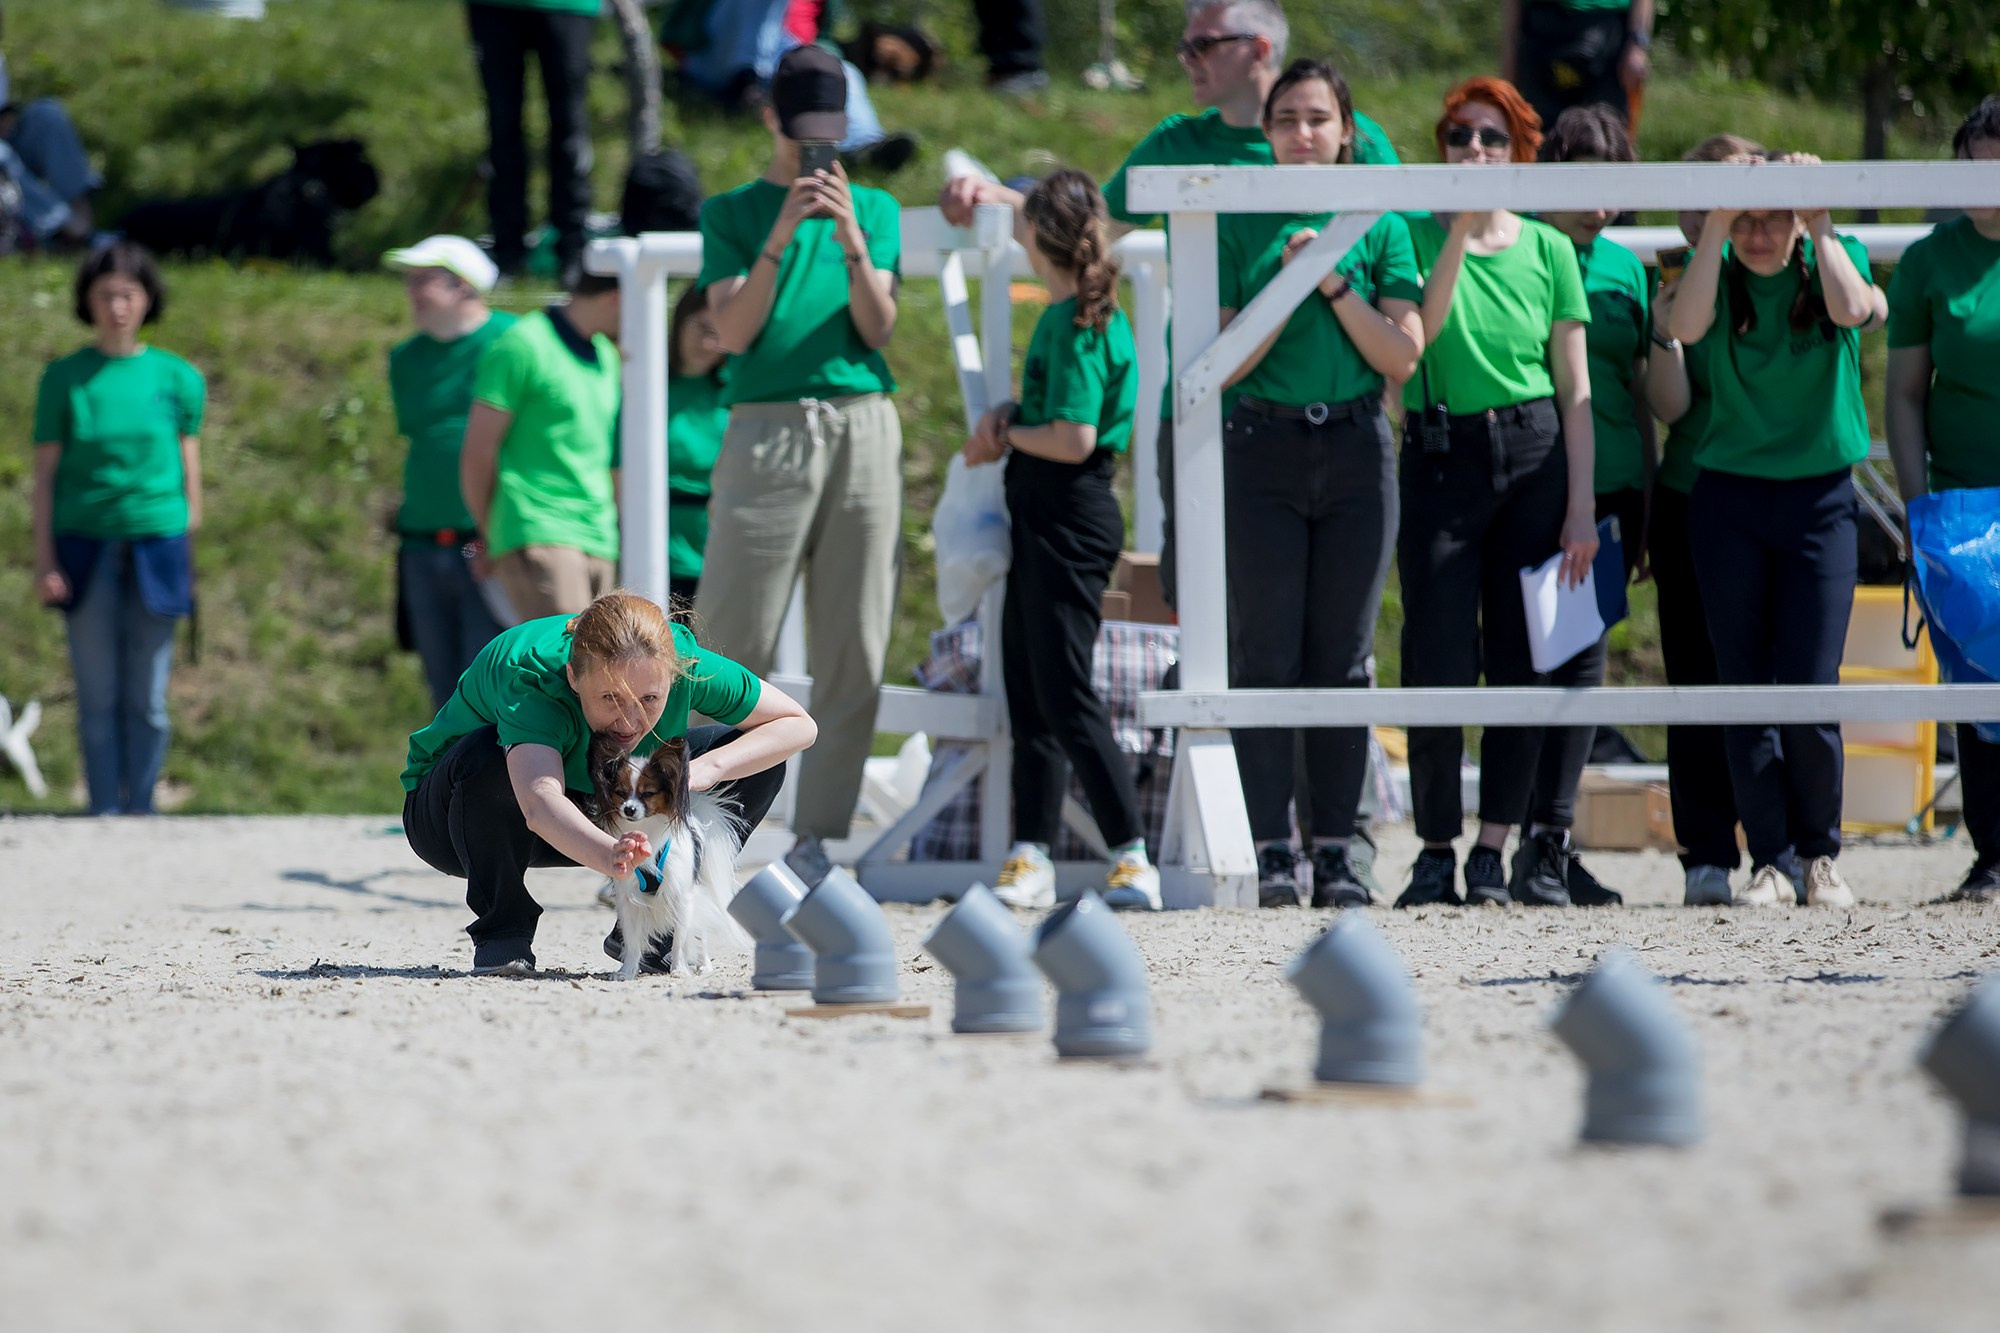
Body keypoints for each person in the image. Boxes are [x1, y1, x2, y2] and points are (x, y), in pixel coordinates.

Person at [940, 0, 1400, 612]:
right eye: (1185, 44)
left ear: (1260, 49)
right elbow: (1092, 232)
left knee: (1324, 620)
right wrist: (1000, 195)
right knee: (1200, 603)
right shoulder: (1178, 142)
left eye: (1204, 44)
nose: (1187, 58)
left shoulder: (1350, 138)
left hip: (1323, 422)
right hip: (1201, 407)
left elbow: (1413, 252)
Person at [1395, 78, 1608, 911]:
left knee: (1527, 654)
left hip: (1533, 452)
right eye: (1459, 138)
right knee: (1436, 653)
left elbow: (1575, 387)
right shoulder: (1415, 232)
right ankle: (1434, 847)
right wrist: (1456, 226)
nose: (1474, 153)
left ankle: (1495, 846)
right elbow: (1427, 328)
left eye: (1491, 140)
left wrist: (1582, 503)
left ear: (1520, 152)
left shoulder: (1551, 250)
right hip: (1441, 448)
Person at [1214, 60, 1423, 909]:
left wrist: (1330, 279)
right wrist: (1284, 279)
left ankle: (1338, 850)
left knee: (1343, 657)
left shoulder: (1380, 220)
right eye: (1287, 118)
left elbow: (1399, 354)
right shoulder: (1232, 218)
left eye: (1318, 118)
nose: (1303, 133)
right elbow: (1222, 360)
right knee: (1265, 653)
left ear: (1347, 131)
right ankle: (1271, 849)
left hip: (1355, 442)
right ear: (1266, 133)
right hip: (1260, 440)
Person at [695, 43, 901, 887]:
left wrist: (851, 234)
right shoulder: (733, 211)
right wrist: (782, 231)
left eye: (832, 131)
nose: (820, 150)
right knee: (728, 638)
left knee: (855, 637)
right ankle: (699, 817)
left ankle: (819, 833)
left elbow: (879, 326)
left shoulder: (876, 206)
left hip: (862, 422)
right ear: (772, 119)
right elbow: (733, 333)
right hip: (766, 424)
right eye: (806, 131)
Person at [1659, 151, 1883, 909]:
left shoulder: (1831, 256)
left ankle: (1821, 854)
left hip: (1820, 499)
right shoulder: (1714, 271)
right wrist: (1719, 218)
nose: (1760, 234)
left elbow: (1854, 309)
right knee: (1743, 686)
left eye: (1772, 216)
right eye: (1746, 219)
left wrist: (1816, 219)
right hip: (1729, 501)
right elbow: (1683, 328)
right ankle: (1771, 859)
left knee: (1812, 684)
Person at [402, 591, 817, 974]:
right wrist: (612, 858)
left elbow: (799, 724)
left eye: (649, 700)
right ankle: (503, 932)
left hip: (601, 805)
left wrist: (705, 771)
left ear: (673, 677)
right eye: (610, 699)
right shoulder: (532, 675)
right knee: (488, 753)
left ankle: (653, 927)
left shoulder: (685, 660)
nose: (629, 720)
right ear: (573, 678)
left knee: (752, 757)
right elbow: (538, 800)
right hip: (458, 820)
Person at [962, 169, 1159, 912]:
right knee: (1028, 684)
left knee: (1066, 690)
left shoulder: (1080, 316)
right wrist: (1016, 412)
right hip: (1043, 514)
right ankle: (1032, 850)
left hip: (1070, 512)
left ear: (1039, 236)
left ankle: (1133, 853)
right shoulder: (1062, 311)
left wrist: (1006, 432)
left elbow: (1075, 439)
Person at [30, 242, 202, 815]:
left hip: (158, 544)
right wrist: (45, 559)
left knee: (148, 698)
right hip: (84, 546)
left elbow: (189, 467)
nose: (117, 307)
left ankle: (143, 807)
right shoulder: (64, 378)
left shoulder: (176, 376)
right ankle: (102, 809)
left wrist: (188, 537)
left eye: (128, 294)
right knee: (97, 693)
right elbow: (46, 477)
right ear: (88, 302)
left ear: (148, 300)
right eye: (105, 296)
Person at [1885, 96, 2000, 905]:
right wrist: (1916, 506)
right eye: (1973, 161)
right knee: (1975, 676)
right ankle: (1991, 851)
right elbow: (1903, 394)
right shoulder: (1930, 260)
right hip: (1962, 505)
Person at [1641, 132, 1761, 905]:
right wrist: (1665, 326)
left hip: (1772, 495)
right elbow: (1672, 406)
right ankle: (1707, 855)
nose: (1710, 211)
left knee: (1774, 676)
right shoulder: (1670, 278)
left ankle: (1787, 849)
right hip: (1690, 491)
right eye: (1695, 196)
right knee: (1694, 680)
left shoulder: (1794, 272)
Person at [383, 234, 518, 711]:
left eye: (425, 280)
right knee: (445, 700)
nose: (413, 292)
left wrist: (498, 532)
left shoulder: (513, 339)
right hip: (421, 545)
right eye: (410, 281)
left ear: (464, 286)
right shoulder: (405, 359)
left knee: (494, 692)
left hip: (489, 545)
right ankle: (451, 788)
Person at [460, 267, 623, 622]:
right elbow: (477, 452)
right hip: (537, 529)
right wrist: (493, 532)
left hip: (598, 535)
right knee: (564, 668)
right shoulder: (522, 344)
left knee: (602, 672)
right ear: (616, 299)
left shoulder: (608, 357)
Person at [663, 0, 919, 175]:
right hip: (716, 53)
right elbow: (677, 26)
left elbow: (823, 31)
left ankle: (864, 147)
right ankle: (746, 81)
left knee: (840, 71)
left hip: (786, 53)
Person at [465, 0, 598, 283]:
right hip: (496, 7)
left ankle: (573, 250)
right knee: (502, 125)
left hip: (569, 7)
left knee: (569, 127)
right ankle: (506, 251)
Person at [1500, 0, 1653, 138]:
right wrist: (1509, 55)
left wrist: (1637, 43)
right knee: (1538, 139)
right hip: (1541, 31)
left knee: (1606, 137)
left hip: (1606, 31)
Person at [665, 284, 729, 611]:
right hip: (660, 551)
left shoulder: (736, 392)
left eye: (719, 334)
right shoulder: (646, 385)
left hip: (723, 552)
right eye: (701, 328)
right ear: (680, 321)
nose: (708, 344)